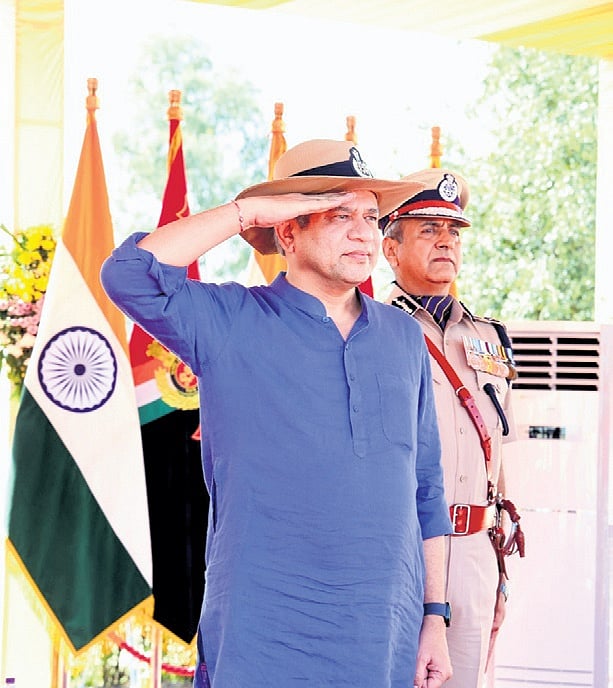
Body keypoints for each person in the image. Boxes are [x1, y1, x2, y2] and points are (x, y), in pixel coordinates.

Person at [101, 139, 454, 688]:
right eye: (339, 215)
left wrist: (435, 617)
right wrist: (249, 212)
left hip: (383, 630)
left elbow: (426, 490)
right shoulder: (229, 319)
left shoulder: (404, 336)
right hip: (261, 630)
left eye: (370, 216)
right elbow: (128, 274)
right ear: (287, 231)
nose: (364, 233)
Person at [380, 168, 519, 688]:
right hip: (402, 551)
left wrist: (499, 572)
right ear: (390, 250)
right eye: (428, 230)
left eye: (453, 232)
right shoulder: (369, 330)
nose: (446, 242)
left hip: (477, 552)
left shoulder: (489, 338)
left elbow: (497, 454)